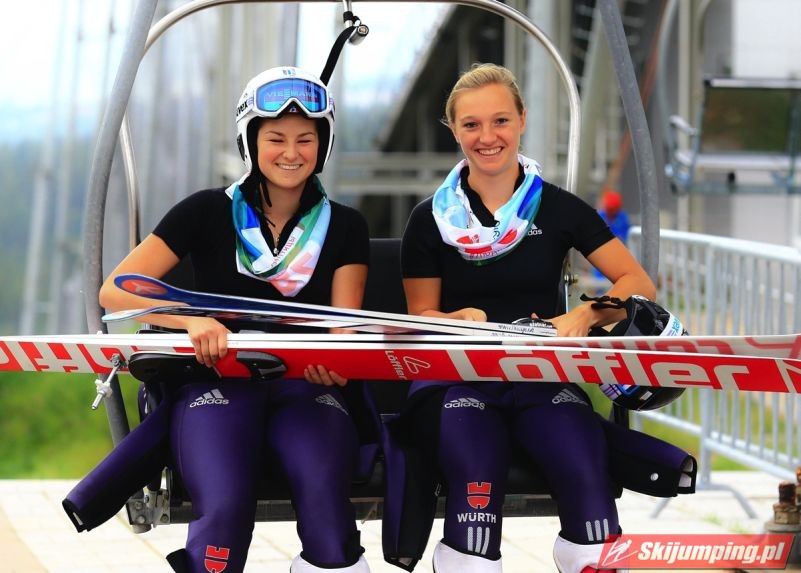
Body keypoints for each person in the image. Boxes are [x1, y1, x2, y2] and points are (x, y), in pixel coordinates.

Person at [385, 63, 695, 573]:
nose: (487, 137)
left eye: (500, 121)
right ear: (454, 130)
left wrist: (587, 313)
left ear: (522, 120)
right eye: (471, 125)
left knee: (582, 461)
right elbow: (421, 317)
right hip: (457, 379)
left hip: (539, 374)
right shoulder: (428, 219)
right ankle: (467, 558)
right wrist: (455, 318)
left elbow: (638, 283)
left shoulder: (558, 208)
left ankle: (590, 554)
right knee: (477, 467)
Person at [63, 66, 372, 573]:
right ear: (251, 141)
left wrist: (336, 362)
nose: (291, 153)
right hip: (218, 380)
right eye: (275, 139)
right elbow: (116, 290)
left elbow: (344, 326)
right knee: (224, 510)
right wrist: (189, 323)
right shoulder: (205, 212)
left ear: (324, 144)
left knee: (327, 509)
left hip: (303, 387)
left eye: (305, 139)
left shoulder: (346, 226)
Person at [592, 189, 631, 282]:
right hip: (601, 256)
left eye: (613, 209)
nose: (611, 212)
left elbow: (627, 237)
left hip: (619, 256)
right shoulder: (599, 216)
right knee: (600, 282)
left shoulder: (622, 218)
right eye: (609, 209)